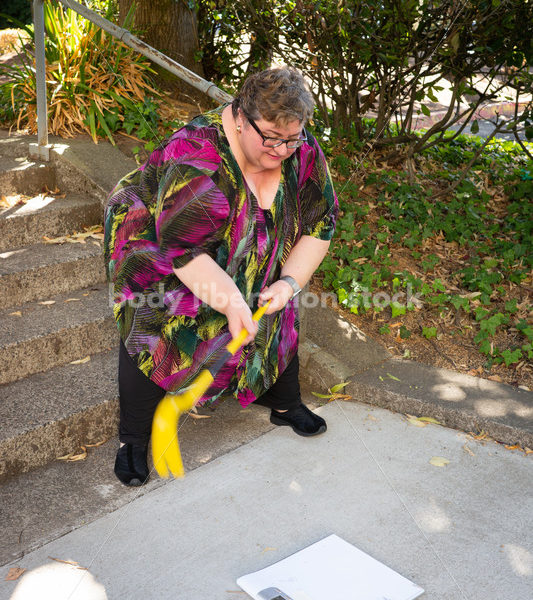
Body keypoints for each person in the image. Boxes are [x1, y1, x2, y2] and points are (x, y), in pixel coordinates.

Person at [104, 66, 338, 486]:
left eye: (292, 137)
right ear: (240, 116)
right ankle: (134, 440)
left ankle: (283, 402)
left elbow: (322, 223)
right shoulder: (195, 157)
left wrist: (287, 285)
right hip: (157, 234)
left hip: (227, 224)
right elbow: (185, 251)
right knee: (155, 315)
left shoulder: (295, 144)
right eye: (270, 137)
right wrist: (231, 303)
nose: (282, 149)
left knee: (269, 293)